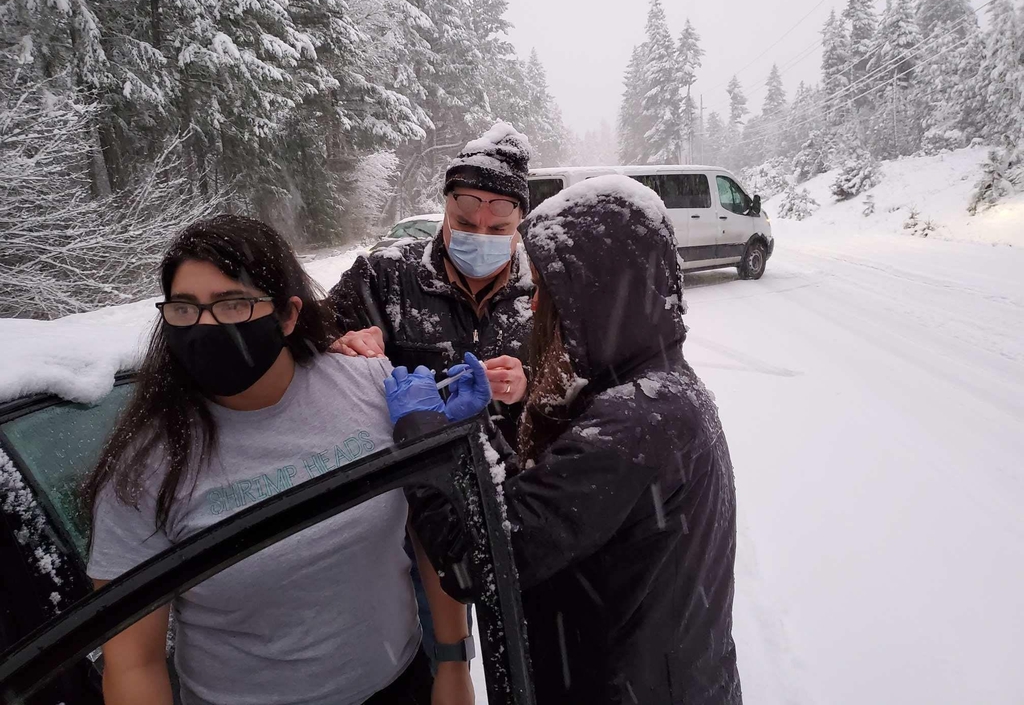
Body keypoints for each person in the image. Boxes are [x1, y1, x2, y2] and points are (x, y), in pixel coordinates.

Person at [84, 215, 474, 705]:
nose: (207, 327)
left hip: (400, 685)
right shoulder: (147, 468)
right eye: (185, 309)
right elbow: (133, 662)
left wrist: (454, 662)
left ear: (288, 316)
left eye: (233, 305)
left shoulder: (368, 385)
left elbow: (427, 528)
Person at [386, 176, 743, 704]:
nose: (534, 310)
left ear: (596, 296)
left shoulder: (636, 422)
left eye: (548, 294)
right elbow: (542, 512)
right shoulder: (659, 389)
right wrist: (475, 430)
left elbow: (478, 561)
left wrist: (422, 438)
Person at [328, 121, 535, 663]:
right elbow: (307, 341)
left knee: (518, 656)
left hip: (509, 512)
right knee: (430, 657)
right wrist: (343, 341)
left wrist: (529, 389)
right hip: (407, 521)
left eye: (498, 226)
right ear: (444, 206)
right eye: (465, 221)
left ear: (520, 222)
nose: (480, 236)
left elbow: (582, 388)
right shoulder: (386, 276)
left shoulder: (543, 293)